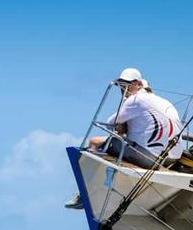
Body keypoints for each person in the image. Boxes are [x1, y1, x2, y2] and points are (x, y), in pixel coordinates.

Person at [66, 68, 183, 209]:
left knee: (94, 142)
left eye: (127, 85)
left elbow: (111, 122)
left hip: (149, 157)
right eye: (121, 85)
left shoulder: (135, 99)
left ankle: (84, 194)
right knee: (121, 139)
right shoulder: (163, 101)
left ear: (139, 84)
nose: (123, 89)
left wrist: (122, 126)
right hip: (172, 158)